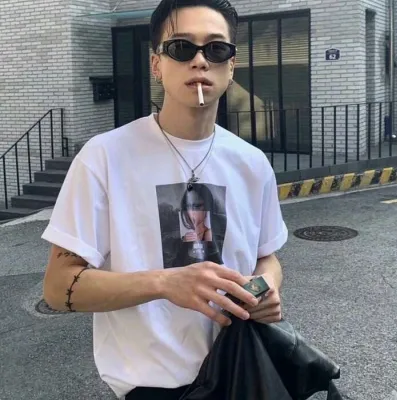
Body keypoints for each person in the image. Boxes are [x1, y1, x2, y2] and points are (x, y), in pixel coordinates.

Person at [41, 0, 288, 399]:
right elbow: (57, 287)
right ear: (156, 64)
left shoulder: (252, 163)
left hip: (241, 368)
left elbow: (267, 256)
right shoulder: (104, 157)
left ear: (232, 65)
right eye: (181, 48)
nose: (200, 61)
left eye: (216, 49)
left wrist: (266, 288)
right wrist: (164, 283)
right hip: (152, 387)